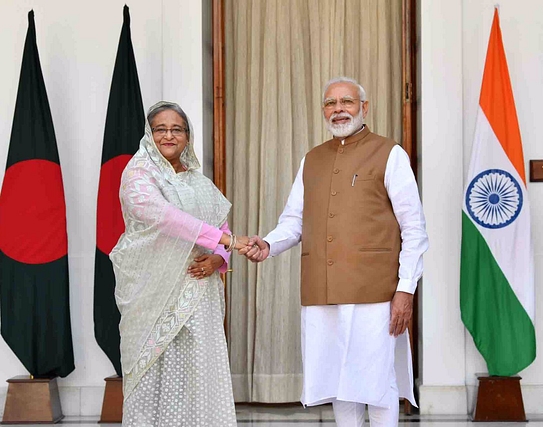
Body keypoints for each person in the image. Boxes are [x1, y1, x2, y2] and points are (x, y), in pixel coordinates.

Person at [241, 77, 429, 427]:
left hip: (375, 290)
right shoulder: (311, 159)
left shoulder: (390, 153)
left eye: (347, 102)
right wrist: (268, 244)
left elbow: (414, 229)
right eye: (330, 103)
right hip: (322, 289)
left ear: (364, 108)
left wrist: (405, 289)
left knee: (376, 380)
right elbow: (294, 221)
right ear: (323, 110)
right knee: (338, 380)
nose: (338, 109)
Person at [110, 101, 244, 426]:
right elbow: (167, 218)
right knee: (153, 369)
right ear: (149, 133)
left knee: (199, 366)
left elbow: (222, 227)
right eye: (161, 129)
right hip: (152, 294)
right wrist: (228, 242)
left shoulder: (200, 182)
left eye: (177, 129)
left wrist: (218, 257)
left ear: (187, 136)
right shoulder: (139, 174)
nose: (169, 135)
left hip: (199, 293)